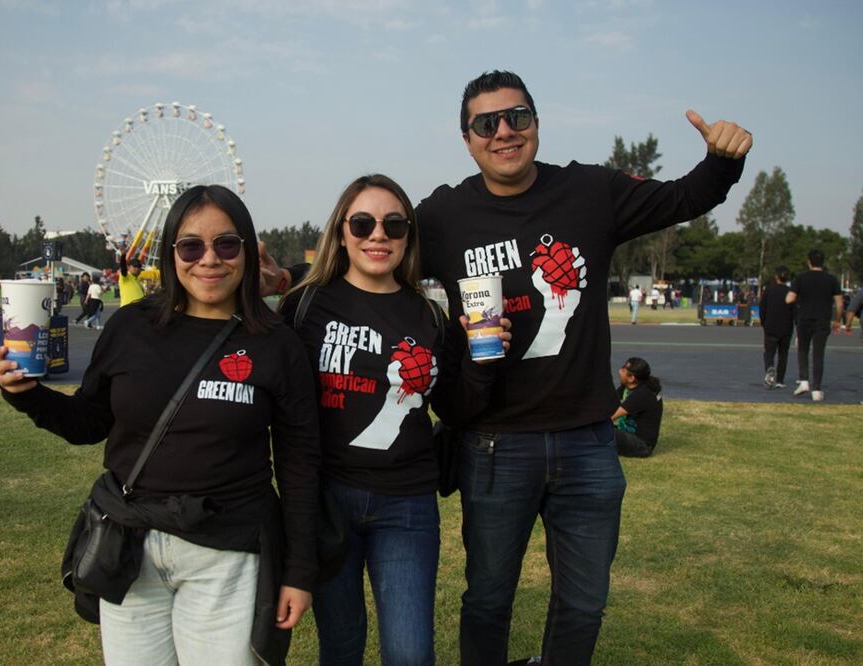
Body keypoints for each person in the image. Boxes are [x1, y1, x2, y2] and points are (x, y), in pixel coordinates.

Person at [264, 70, 751, 666]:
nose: (503, 132)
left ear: (537, 124)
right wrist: (286, 279)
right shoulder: (443, 215)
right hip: (495, 444)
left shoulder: (590, 192)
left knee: (583, 603)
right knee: (489, 598)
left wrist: (722, 161)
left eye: (516, 117)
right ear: (466, 138)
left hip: (588, 439)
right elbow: (370, 248)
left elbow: (684, 196)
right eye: (485, 123)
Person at [0, 185, 321, 665]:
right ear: (172, 255)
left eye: (226, 244)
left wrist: (299, 570)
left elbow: (299, 464)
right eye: (191, 246)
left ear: (249, 252)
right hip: (129, 548)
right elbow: (90, 421)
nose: (208, 259)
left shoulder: (278, 345)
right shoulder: (130, 327)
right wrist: (26, 396)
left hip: (227, 553)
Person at [279, 174, 510, 666]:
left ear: (409, 236)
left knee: (409, 654)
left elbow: (457, 408)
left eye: (394, 224)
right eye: (362, 223)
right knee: (340, 647)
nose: (377, 235)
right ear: (342, 232)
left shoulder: (429, 315)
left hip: (406, 504)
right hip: (327, 499)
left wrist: (481, 359)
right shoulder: (304, 306)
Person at [786, 249, 842, 402]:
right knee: (818, 354)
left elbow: (789, 299)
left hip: (804, 318)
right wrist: (837, 320)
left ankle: (804, 381)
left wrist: (799, 296)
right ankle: (816, 389)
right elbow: (839, 303)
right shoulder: (831, 279)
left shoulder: (801, 278)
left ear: (808, 262)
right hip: (822, 320)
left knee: (802, 350)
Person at [611, 357, 663, 457]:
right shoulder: (628, 387)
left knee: (601, 430)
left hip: (642, 446)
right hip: (629, 435)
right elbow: (610, 402)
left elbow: (611, 416)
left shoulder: (642, 394)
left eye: (623, 369)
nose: (619, 371)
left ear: (631, 378)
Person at [759, 265, 795, 389]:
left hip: (771, 326)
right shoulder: (790, 292)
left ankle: (769, 368)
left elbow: (762, 308)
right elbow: (794, 311)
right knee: (783, 354)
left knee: (769, 353)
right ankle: (780, 380)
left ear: (776, 277)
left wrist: (764, 322)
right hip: (786, 327)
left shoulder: (769, 290)